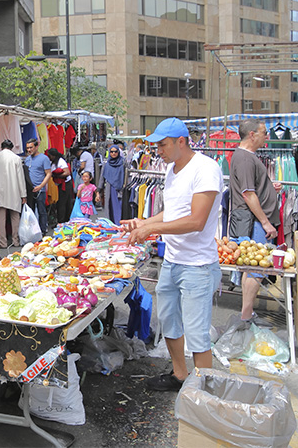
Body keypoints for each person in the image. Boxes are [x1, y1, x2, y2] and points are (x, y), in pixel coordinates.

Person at [122, 118, 223, 391]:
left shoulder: (206, 169)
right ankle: (180, 375)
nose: (158, 151)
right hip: (173, 261)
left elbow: (196, 221)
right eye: (156, 145)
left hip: (198, 266)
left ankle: (205, 391)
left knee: (197, 333)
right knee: (169, 321)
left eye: (163, 145)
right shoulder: (171, 170)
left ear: (182, 141)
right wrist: (145, 222)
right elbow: (174, 213)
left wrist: (152, 229)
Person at [229, 120, 283, 321]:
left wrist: (269, 187)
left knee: (254, 268)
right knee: (255, 269)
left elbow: (252, 189)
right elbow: (248, 194)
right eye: (264, 132)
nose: (266, 136)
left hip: (257, 221)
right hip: (255, 222)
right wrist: (265, 222)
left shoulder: (247, 157)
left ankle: (247, 312)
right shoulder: (244, 158)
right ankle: (246, 315)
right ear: (252, 134)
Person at [0, 139, 27, 249]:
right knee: (15, 216)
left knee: (0, 218)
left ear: (1, 147)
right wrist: (23, 194)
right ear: (11, 148)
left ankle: (3, 242)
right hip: (14, 190)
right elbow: (21, 178)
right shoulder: (16, 158)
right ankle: (15, 240)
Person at [24, 138, 52, 235]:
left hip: (40, 189)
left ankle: (43, 231)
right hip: (30, 190)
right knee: (30, 211)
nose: (29, 150)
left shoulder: (44, 158)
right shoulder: (27, 159)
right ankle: (33, 232)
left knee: (41, 211)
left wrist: (41, 186)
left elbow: (48, 173)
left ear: (36, 147)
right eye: (27, 148)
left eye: (31, 147)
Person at [98, 144, 127, 223]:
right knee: (109, 207)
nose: (113, 153)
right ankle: (110, 224)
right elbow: (102, 177)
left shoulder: (123, 163)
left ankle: (119, 224)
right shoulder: (106, 164)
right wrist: (99, 190)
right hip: (109, 188)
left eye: (115, 152)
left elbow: (126, 176)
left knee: (119, 207)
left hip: (119, 189)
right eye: (111, 152)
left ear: (118, 152)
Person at [47, 147, 74, 224]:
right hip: (60, 184)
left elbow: (67, 172)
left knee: (62, 203)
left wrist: (56, 175)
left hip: (64, 184)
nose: (49, 157)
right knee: (64, 202)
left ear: (53, 155)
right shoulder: (53, 162)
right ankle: (65, 219)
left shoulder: (60, 161)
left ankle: (62, 220)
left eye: (50, 156)